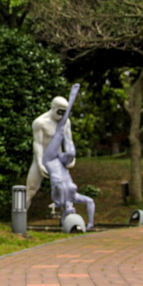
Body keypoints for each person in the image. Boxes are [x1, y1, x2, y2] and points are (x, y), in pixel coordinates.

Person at [42, 84, 95, 229]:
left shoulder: (59, 201)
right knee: (71, 151)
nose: (72, 210)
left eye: (68, 213)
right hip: (60, 162)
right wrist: (90, 223)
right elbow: (90, 202)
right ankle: (72, 99)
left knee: (60, 132)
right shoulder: (73, 198)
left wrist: (57, 188)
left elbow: (56, 186)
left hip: (51, 160)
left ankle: (72, 98)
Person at [25, 96, 75, 208]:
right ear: (53, 107)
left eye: (64, 111)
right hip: (42, 159)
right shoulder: (40, 122)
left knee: (66, 190)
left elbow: (69, 141)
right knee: (31, 189)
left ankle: (66, 219)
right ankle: (20, 218)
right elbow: (37, 144)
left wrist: (71, 158)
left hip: (57, 160)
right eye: (60, 110)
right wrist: (39, 163)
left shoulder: (66, 122)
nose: (62, 114)